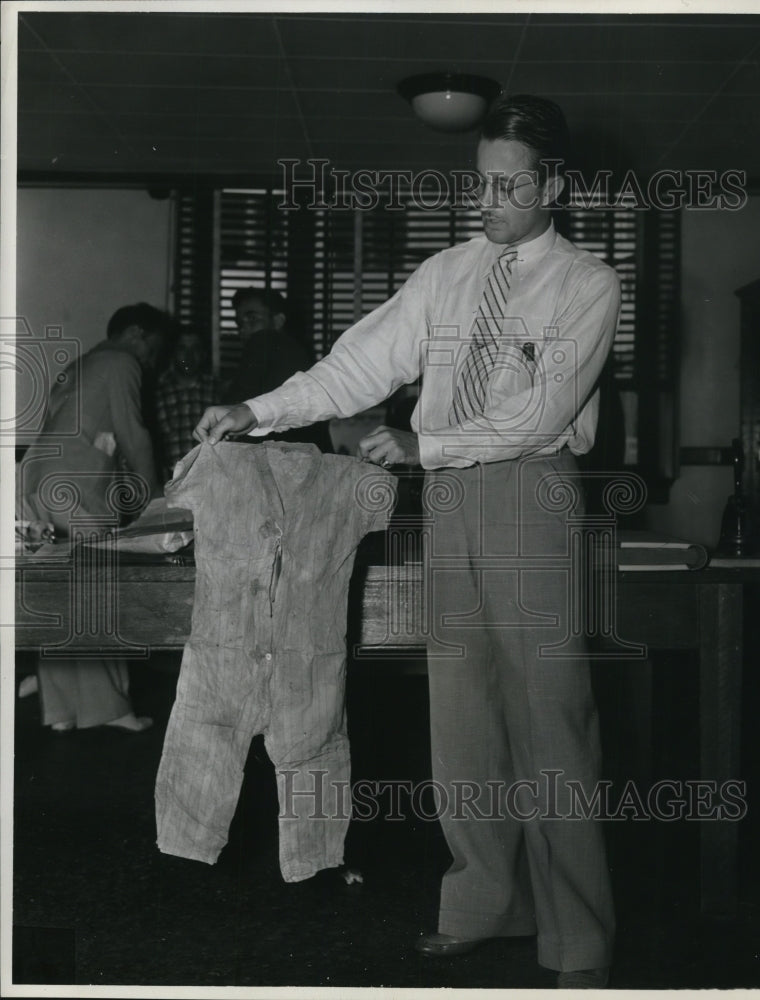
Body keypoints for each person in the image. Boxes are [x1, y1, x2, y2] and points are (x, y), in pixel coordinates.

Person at [195, 96, 618, 988]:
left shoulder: (588, 282)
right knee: (461, 718)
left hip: (530, 493)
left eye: (508, 185)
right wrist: (257, 410)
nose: (487, 200)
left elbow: (542, 411)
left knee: (552, 715)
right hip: (451, 500)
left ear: (557, 184)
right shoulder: (447, 272)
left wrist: (431, 444)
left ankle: (577, 936)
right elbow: (360, 362)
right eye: (480, 183)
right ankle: (484, 903)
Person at [19, 302, 172, 733]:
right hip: (75, 487)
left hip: (34, 480)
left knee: (57, 595)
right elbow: (132, 431)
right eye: (154, 350)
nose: (152, 362)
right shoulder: (122, 361)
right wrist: (153, 496)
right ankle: (109, 709)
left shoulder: (80, 363)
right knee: (93, 589)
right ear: (137, 334)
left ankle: (63, 710)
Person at [223, 287, 332, 451]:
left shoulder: (263, 341)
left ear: (279, 320)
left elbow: (232, 407)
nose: (243, 330)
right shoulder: (296, 349)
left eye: (252, 319)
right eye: (240, 323)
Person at [154, 327, 220, 480]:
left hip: (211, 479)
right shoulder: (157, 393)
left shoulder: (218, 391)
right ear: (173, 353)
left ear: (204, 354)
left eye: (195, 349)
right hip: (170, 482)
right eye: (182, 349)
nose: (189, 356)